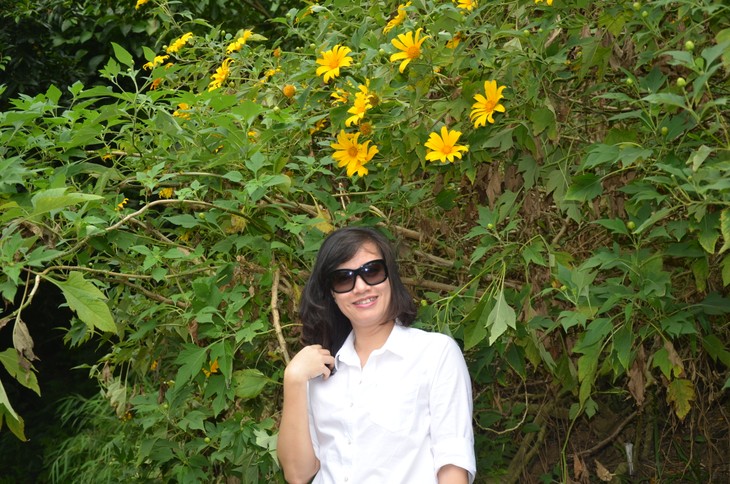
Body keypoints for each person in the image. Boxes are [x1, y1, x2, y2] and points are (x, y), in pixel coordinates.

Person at [277, 226, 476, 483]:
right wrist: (293, 380)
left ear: (390, 276)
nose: (360, 287)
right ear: (331, 294)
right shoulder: (318, 369)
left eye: (372, 271)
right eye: (344, 278)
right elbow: (297, 474)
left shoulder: (435, 354)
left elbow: (453, 465)